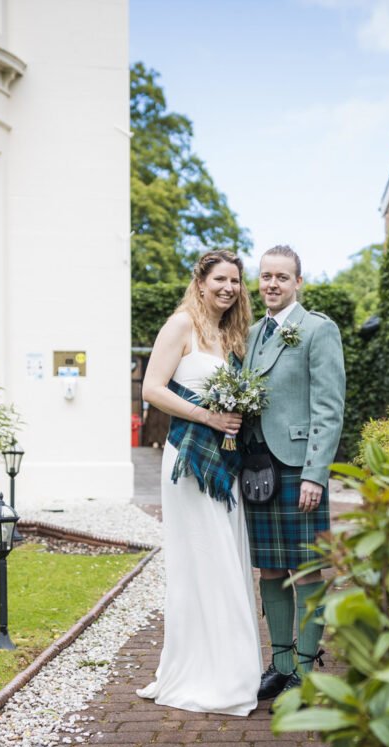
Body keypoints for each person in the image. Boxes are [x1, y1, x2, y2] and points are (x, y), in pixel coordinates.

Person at [137, 249, 262, 716]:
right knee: (201, 560)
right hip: (188, 461)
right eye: (220, 280)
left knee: (226, 557)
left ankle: (230, 668)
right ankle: (205, 673)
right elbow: (152, 388)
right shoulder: (181, 324)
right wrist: (207, 415)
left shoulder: (231, 334)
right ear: (201, 281)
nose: (228, 288)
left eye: (235, 281)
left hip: (223, 462)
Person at [244, 245, 346, 701]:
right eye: (266, 276)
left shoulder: (318, 330)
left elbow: (329, 407)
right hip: (257, 468)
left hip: (297, 466)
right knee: (268, 568)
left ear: (298, 282)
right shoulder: (250, 335)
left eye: (282, 277)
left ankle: (305, 669)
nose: (272, 284)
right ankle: (280, 664)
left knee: (305, 571)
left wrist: (315, 474)